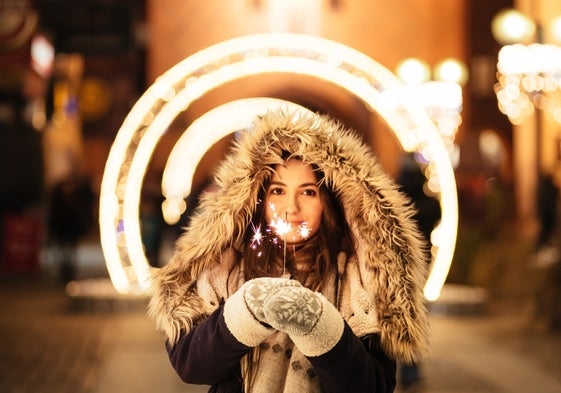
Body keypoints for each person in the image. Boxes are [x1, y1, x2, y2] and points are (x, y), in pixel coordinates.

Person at [148, 109, 430, 393]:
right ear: (259, 197)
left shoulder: (360, 276)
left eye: (308, 192)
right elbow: (191, 365)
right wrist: (246, 310)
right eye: (278, 191)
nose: (291, 208)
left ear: (329, 201)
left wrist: (318, 323)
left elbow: (373, 386)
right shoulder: (226, 264)